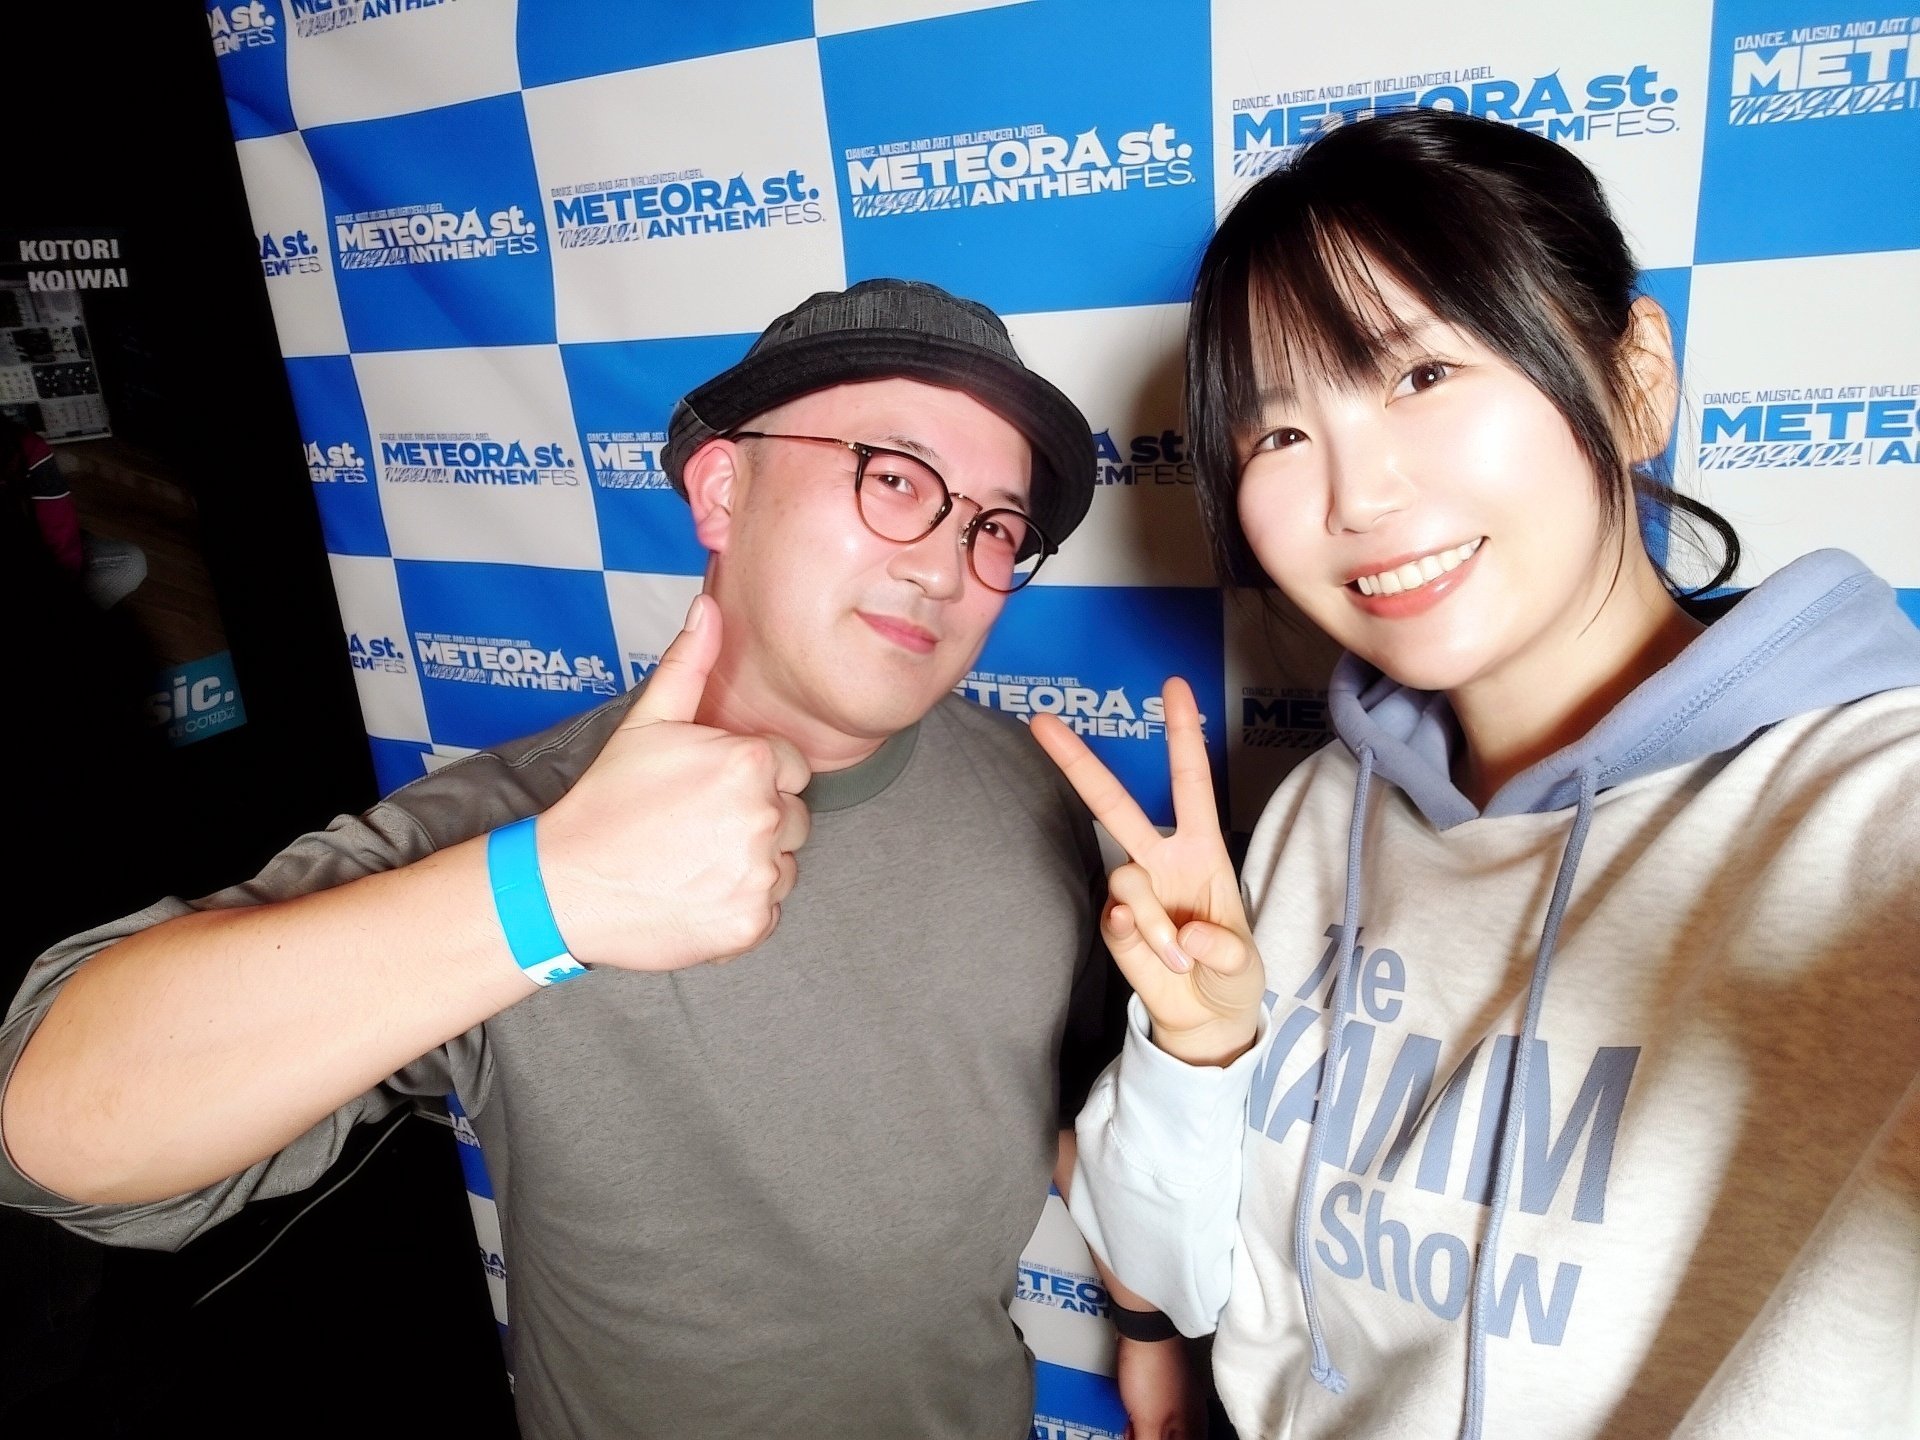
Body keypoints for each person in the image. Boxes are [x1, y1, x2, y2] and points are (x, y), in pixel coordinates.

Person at [0, 278, 1183, 1439]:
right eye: (895, 479)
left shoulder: (1037, 786)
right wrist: (548, 894)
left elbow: (1088, 1100)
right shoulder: (515, 821)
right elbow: (50, 1136)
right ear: (723, 489)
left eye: (995, 528)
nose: (945, 565)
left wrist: (1146, 1330)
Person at [1035, 110, 1920, 1440]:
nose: (1357, 498)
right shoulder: (1315, 818)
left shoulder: (1871, 810)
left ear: (1634, 381)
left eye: (1422, 374)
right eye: (1280, 436)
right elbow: (1174, 1278)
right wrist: (1198, 1047)